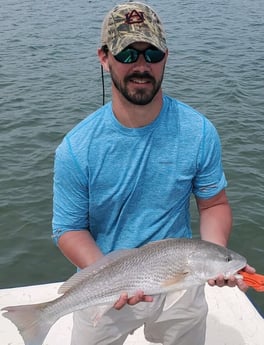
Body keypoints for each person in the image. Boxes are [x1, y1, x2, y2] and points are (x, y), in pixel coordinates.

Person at [52, 2, 254, 345]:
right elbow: (68, 229)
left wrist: (216, 256)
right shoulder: (76, 148)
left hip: (181, 282)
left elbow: (213, 204)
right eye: (128, 54)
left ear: (166, 57)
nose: (142, 66)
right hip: (104, 284)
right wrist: (111, 277)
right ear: (104, 58)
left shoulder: (198, 131)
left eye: (152, 54)